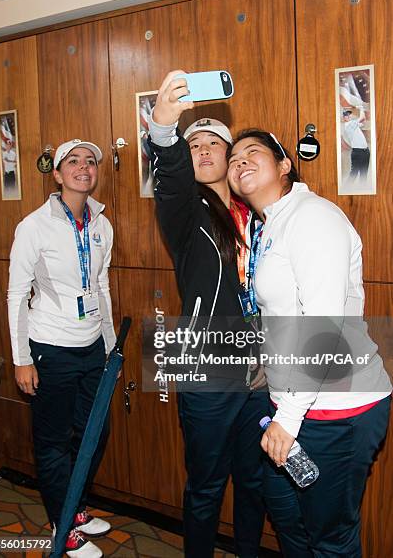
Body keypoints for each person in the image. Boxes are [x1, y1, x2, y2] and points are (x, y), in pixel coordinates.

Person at [227, 128, 392, 557]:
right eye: (234, 158)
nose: (240, 161)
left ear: (284, 165)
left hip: (337, 407)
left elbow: (324, 323)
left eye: (253, 153)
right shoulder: (273, 225)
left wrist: (291, 415)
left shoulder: (313, 217)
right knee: (285, 512)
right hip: (296, 403)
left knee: (330, 539)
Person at [148, 71, 268, 558]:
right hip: (207, 373)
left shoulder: (258, 211)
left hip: (259, 372)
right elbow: (170, 173)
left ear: (230, 157)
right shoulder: (183, 210)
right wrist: (163, 126)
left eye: (212, 143)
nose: (201, 150)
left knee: (254, 483)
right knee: (205, 489)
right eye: (192, 143)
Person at [8, 139, 116, 558]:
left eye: (90, 161)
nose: (84, 167)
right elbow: (16, 294)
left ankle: (76, 506)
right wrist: (22, 359)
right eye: (73, 161)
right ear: (57, 174)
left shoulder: (102, 224)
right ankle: (61, 524)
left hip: (92, 347)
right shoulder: (34, 226)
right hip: (50, 347)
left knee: (93, 432)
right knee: (53, 441)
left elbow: (102, 286)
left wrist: (108, 348)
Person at [341, 107, 370, 181]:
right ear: (344, 118)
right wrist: (361, 108)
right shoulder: (349, 124)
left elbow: (363, 122)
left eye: (349, 114)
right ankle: (346, 189)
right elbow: (362, 118)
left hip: (365, 151)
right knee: (354, 174)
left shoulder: (354, 124)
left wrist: (361, 109)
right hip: (358, 152)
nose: (348, 116)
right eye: (346, 115)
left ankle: (362, 189)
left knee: (364, 174)